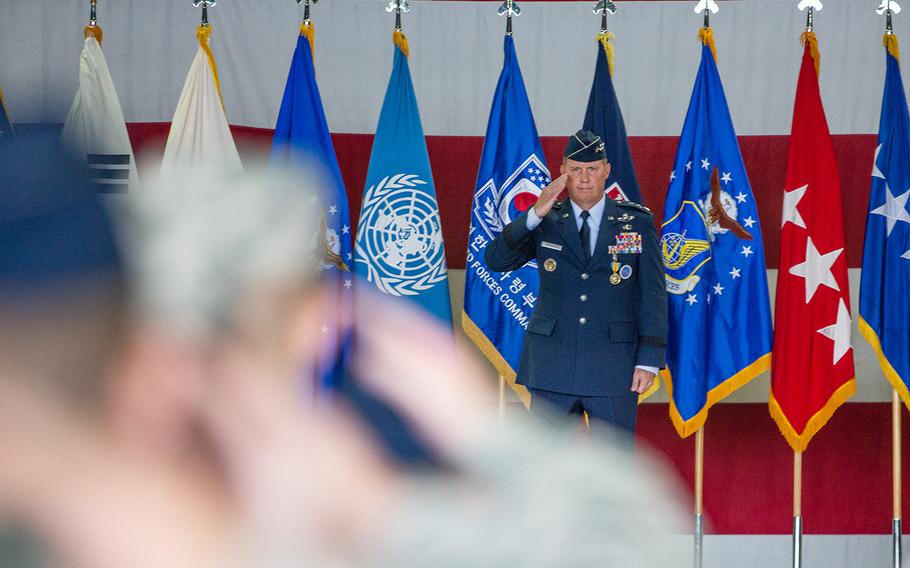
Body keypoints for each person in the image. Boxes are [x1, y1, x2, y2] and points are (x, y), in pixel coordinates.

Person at [485, 130, 667, 434]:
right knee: (548, 465)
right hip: (551, 364)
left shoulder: (636, 222)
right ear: (562, 173)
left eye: (592, 169)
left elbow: (652, 295)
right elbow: (496, 260)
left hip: (613, 365)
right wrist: (534, 213)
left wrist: (649, 359)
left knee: (612, 466)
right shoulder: (546, 220)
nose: (583, 178)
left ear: (606, 171)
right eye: (575, 170)